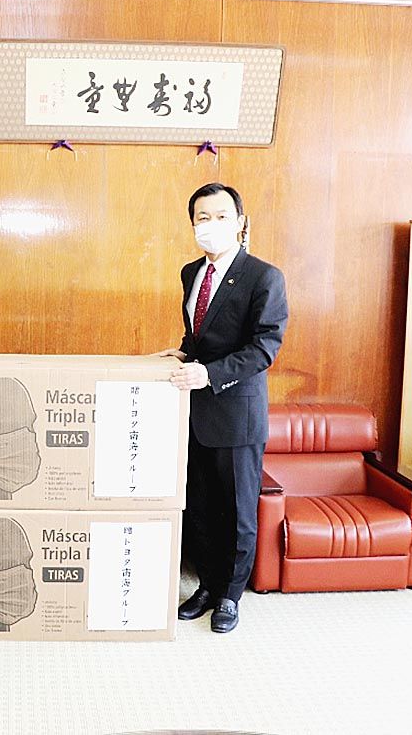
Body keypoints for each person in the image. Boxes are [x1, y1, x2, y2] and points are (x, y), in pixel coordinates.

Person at [156, 182, 287, 634]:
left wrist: (209, 374)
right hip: (193, 413)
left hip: (236, 413)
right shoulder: (192, 272)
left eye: (221, 217)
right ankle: (207, 587)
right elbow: (201, 334)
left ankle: (231, 596)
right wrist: (183, 352)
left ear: (240, 222)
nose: (210, 225)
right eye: (202, 218)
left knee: (237, 511)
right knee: (201, 507)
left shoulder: (264, 277)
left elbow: (264, 347)